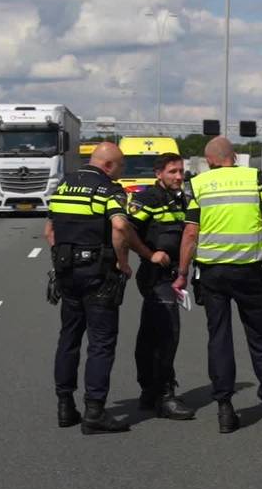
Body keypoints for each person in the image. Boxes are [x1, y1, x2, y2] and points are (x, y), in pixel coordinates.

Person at [172, 136, 262, 433]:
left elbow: (190, 233)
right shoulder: (253, 179)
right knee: (260, 339)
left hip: (213, 275)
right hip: (250, 272)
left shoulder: (199, 185)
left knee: (219, 338)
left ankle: (225, 409)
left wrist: (182, 272)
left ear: (210, 160)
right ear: (234, 156)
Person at [43, 142, 134, 435]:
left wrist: (62, 257)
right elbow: (120, 227)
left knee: (68, 339)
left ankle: (65, 406)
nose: (121, 173)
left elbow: (50, 230)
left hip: (67, 273)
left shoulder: (63, 186)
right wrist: (123, 262)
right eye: (120, 168)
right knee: (101, 343)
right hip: (98, 274)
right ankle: (94, 411)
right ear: (109, 165)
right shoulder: (108, 189)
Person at [122, 153, 195, 421]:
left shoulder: (182, 198)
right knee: (166, 335)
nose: (178, 176)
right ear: (159, 173)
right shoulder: (147, 199)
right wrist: (149, 254)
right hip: (155, 274)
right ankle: (164, 396)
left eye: (181, 172)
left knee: (151, 334)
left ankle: (149, 391)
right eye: (173, 172)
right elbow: (125, 231)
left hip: (173, 273)